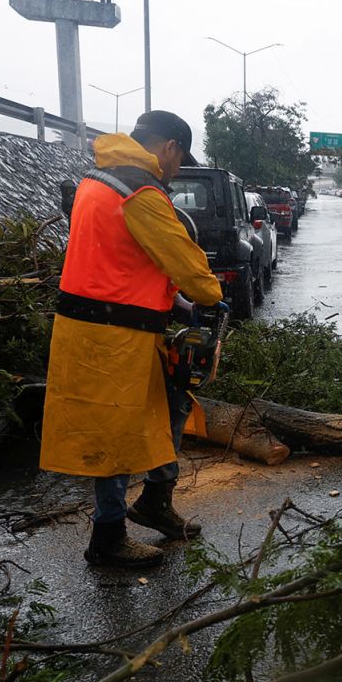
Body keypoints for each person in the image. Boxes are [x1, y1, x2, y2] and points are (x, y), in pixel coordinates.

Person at [40, 110, 225, 569]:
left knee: (173, 404)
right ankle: (108, 538)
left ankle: (155, 501)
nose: (177, 169)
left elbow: (124, 262)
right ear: (170, 149)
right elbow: (185, 263)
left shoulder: (96, 181)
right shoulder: (139, 191)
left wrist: (176, 305)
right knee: (118, 435)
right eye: (180, 161)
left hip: (106, 329)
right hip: (112, 338)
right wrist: (208, 295)